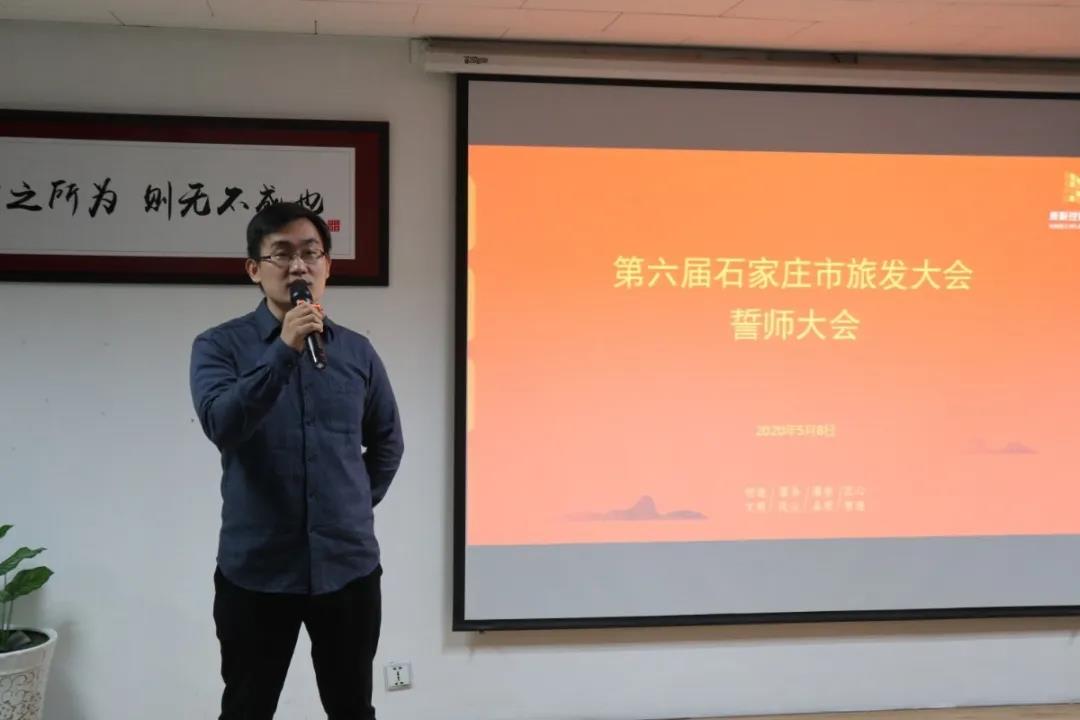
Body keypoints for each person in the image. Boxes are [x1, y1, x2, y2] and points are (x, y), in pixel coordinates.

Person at [189, 202, 404, 720]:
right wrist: (283, 349)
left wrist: (350, 505)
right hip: (257, 571)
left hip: (347, 568)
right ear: (254, 269)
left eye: (311, 253)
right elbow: (222, 424)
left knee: (352, 708)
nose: (299, 266)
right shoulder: (218, 347)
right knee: (247, 708)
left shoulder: (357, 352)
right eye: (282, 254)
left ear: (328, 266)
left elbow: (387, 443)